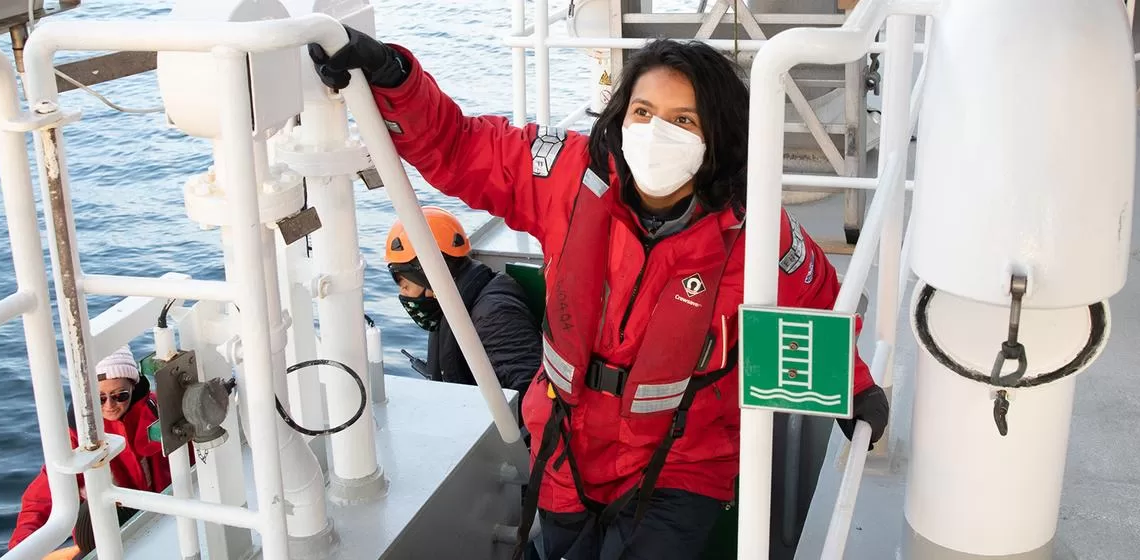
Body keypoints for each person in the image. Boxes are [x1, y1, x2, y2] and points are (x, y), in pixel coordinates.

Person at [310, 31, 890, 560]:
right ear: (621, 114)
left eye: (683, 120)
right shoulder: (564, 177)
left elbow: (816, 304)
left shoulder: (757, 233)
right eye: (644, 111)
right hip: (564, 449)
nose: (657, 132)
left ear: (717, 134)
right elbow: (459, 147)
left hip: (682, 464)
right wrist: (392, 77)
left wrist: (856, 386)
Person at [9, 346, 171, 558]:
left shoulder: (160, 411)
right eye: (99, 398)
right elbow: (40, 500)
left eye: (120, 395)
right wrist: (21, 551)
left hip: (169, 517)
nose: (110, 405)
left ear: (134, 386)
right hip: (109, 538)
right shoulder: (76, 437)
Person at [384, 206, 541, 392]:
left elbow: (528, 392)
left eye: (405, 286)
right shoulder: (457, 303)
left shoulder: (494, 316)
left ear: (429, 277)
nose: (404, 294)